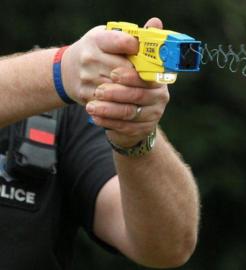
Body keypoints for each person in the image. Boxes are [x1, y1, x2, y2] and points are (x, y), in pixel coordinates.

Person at [0, 17, 199, 269]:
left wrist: (135, 137)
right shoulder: (60, 89)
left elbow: (169, 246)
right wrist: (62, 71)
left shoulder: (62, 113)